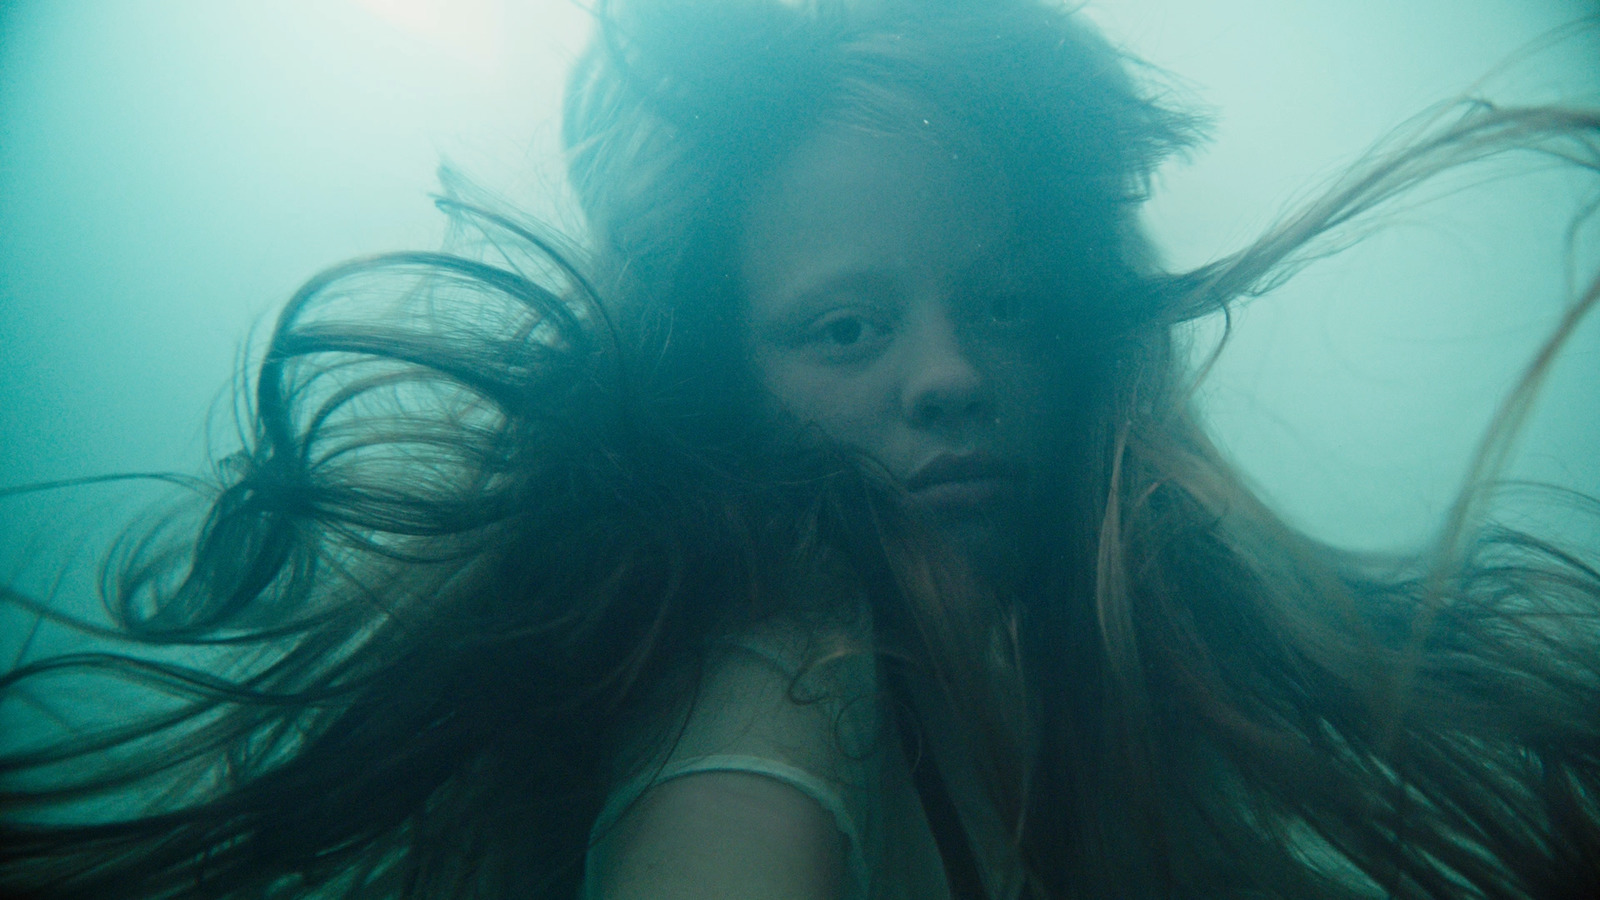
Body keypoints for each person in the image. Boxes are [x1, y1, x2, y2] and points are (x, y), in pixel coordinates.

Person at [2, 0, 1598, 897]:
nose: (952, 377)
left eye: (1012, 306)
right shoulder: (781, 651)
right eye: (847, 329)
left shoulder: (1111, 656)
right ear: (721, 376)